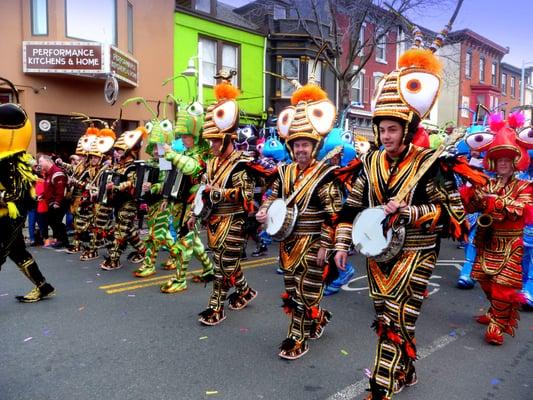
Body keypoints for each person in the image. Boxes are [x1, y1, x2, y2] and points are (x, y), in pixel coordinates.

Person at [333, 35, 485, 398]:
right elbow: (351, 206)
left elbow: (453, 214)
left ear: (408, 129)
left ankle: (381, 384)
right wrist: (341, 242)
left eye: (393, 129)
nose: (386, 136)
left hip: (418, 251)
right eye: (381, 129)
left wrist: (411, 210)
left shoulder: (431, 165)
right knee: (390, 314)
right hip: (377, 252)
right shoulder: (369, 163)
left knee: (395, 317)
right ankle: (407, 368)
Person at [256, 80, 343, 360]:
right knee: (292, 288)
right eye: (297, 145)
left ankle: (297, 337)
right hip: (288, 241)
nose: (301, 149)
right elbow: (273, 196)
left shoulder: (325, 174)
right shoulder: (285, 172)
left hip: (314, 241)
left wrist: (325, 246)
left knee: (305, 292)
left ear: (314, 146)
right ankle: (317, 319)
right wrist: (264, 210)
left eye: (306, 144)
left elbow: (335, 215)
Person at [461, 111, 533, 345]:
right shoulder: (487, 182)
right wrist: (470, 193)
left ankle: (498, 325)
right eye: (499, 159)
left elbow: (523, 209)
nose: (503, 163)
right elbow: (472, 206)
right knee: (483, 279)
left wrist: (497, 201)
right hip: (487, 239)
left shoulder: (525, 186)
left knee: (503, 286)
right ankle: (496, 311)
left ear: (514, 162)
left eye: (507, 160)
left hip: (511, 242)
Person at [194, 71, 258, 326]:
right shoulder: (209, 163)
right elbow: (201, 190)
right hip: (213, 220)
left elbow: (246, 195)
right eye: (209, 140)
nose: (211, 145)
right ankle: (245, 291)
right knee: (226, 263)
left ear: (228, 137)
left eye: (215, 140)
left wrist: (218, 193)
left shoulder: (242, 162)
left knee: (222, 267)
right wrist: (193, 214)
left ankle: (215, 308)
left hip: (234, 221)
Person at [0, 77, 55, 302]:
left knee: (9, 253)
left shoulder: (12, 161)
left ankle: (43, 286)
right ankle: (43, 286)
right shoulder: (14, 159)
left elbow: (19, 194)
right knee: (18, 253)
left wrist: (3, 197)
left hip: (8, 220)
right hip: (9, 219)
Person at [99, 127, 146, 270]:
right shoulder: (117, 166)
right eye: (117, 150)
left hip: (129, 203)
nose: (116, 153)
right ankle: (143, 250)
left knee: (120, 230)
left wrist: (116, 187)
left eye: (119, 150)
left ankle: (114, 258)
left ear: (128, 151)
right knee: (128, 229)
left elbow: (133, 182)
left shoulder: (133, 167)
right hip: (117, 203)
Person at [39, 154, 70, 249]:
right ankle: (62, 240)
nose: (39, 164)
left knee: (56, 221)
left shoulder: (57, 172)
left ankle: (63, 241)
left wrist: (57, 202)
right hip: (51, 203)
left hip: (59, 202)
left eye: (41, 161)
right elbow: (49, 189)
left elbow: (60, 189)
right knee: (52, 221)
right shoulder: (49, 174)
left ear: (47, 161)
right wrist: (42, 196)